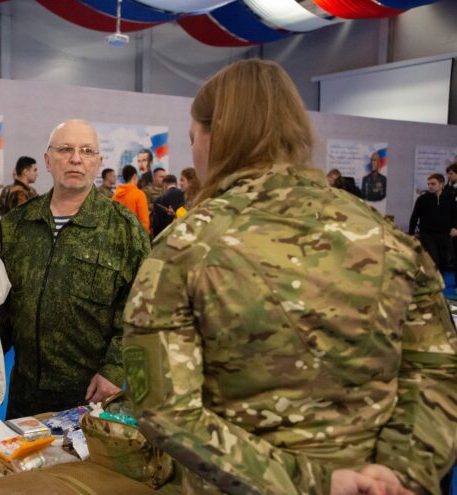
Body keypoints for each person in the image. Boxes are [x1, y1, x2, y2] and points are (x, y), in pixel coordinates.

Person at [122, 59, 456, 495]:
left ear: (216, 136)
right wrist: (399, 473)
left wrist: (316, 484)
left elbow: (166, 409)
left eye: (193, 139)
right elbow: (436, 370)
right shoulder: (387, 238)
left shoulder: (185, 248)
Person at [0, 119, 150, 418]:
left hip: (91, 393)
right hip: (24, 392)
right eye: (65, 149)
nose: (76, 158)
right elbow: (1, 308)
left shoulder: (124, 229)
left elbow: (143, 309)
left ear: (98, 162)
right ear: (47, 160)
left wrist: (113, 369)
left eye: (87, 151)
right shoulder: (17, 225)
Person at [408, 173, 456, 279]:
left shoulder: (449, 198)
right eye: (428, 184)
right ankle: (431, 283)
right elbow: (414, 217)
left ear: (441, 184)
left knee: (443, 262)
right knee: (434, 260)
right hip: (427, 235)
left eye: (433, 184)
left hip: (445, 235)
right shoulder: (422, 199)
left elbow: (454, 214)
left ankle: (439, 285)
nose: (430, 186)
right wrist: (410, 235)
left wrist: (455, 227)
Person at [112, 165, 150, 234]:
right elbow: (144, 222)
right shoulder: (139, 194)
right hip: (135, 237)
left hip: (119, 236)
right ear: (135, 176)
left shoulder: (115, 196)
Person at [150, 174, 184, 238]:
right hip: (181, 234)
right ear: (176, 184)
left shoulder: (158, 201)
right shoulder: (184, 196)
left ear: (164, 185)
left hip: (165, 237)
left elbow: (156, 225)